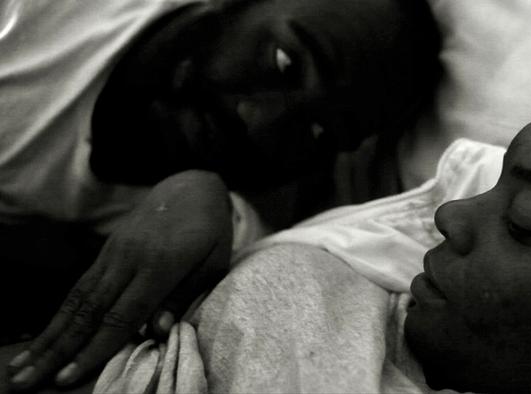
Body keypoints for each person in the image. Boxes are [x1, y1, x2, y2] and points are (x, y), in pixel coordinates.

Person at [54, 4, 531, 393]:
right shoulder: (396, 250)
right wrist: (204, 199)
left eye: (525, 226)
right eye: (499, 182)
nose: (451, 214)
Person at [0, 0, 440, 390]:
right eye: (286, 63)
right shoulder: (28, 21)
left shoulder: (204, 220)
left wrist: (204, 192)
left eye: (318, 129)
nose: (258, 120)